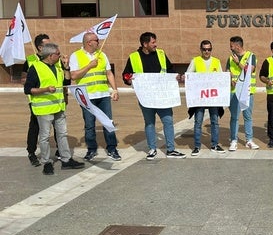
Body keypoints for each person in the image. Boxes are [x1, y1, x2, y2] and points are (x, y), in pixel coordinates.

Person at [122, 32, 186, 160]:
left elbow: (170, 70)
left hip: (162, 96)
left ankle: (171, 149)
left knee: (168, 121)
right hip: (146, 97)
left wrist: (177, 77)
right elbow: (126, 75)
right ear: (145, 44)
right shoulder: (134, 57)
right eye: (153, 42)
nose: (156, 45)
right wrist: (129, 80)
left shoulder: (161, 54)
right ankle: (152, 149)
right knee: (149, 123)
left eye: (155, 42)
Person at [24, 43, 85, 175]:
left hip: (59, 107)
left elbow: (67, 83)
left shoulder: (57, 67)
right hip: (43, 109)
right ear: (50, 55)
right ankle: (47, 162)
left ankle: (66, 159)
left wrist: (66, 66)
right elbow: (27, 89)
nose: (60, 55)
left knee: (62, 134)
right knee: (45, 136)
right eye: (58, 54)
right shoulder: (35, 68)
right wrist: (45, 90)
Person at [69, 33, 120, 161]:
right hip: (86, 97)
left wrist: (114, 89)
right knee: (89, 124)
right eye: (96, 40)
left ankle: (112, 148)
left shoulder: (102, 55)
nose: (98, 42)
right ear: (89, 42)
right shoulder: (76, 56)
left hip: (103, 95)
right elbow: (74, 76)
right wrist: (89, 66)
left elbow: (109, 73)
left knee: (108, 122)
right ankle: (91, 149)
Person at [21, 34, 58, 166]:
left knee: (57, 125)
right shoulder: (30, 60)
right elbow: (24, 80)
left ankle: (60, 151)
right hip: (38, 101)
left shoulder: (55, 58)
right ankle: (31, 152)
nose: (51, 47)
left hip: (55, 100)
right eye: (47, 45)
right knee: (35, 126)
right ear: (40, 47)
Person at [186, 40, 224, 156]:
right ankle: (197, 146)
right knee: (198, 122)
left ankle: (214, 145)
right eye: (204, 49)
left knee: (214, 122)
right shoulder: (195, 61)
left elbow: (221, 77)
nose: (207, 51)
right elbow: (188, 75)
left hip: (213, 97)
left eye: (209, 49)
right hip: (200, 97)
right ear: (201, 49)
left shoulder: (216, 61)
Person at [227, 36, 259, 151]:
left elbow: (250, 71)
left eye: (231, 46)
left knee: (247, 116)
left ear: (237, 46)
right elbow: (228, 72)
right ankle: (234, 140)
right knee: (234, 117)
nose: (230, 48)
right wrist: (230, 79)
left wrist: (238, 62)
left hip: (247, 91)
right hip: (234, 92)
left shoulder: (251, 56)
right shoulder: (230, 58)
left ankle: (249, 140)